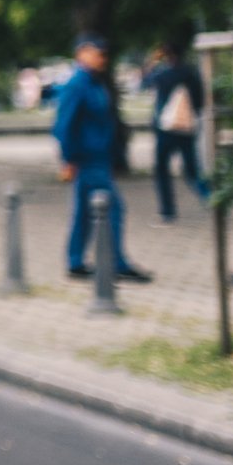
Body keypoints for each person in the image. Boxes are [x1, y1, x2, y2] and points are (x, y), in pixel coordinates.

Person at [54, 34, 152, 283]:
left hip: (98, 157)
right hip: (87, 158)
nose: (103, 58)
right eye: (98, 53)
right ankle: (116, 262)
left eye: (104, 54)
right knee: (113, 209)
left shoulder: (93, 81)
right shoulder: (78, 84)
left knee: (85, 212)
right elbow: (64, 125)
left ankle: (75, 262)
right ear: (82, 53)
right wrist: (69, 159)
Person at [144, 43, 208, 222]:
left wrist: (152, 61)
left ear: (167, 55)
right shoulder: (192, 73)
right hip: (187, 130)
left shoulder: (163, 74)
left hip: (165, 130)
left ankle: (167, 210)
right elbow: (200, 102)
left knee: (162, 170)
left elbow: (146, 81)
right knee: (192, 170)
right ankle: (209, 196)